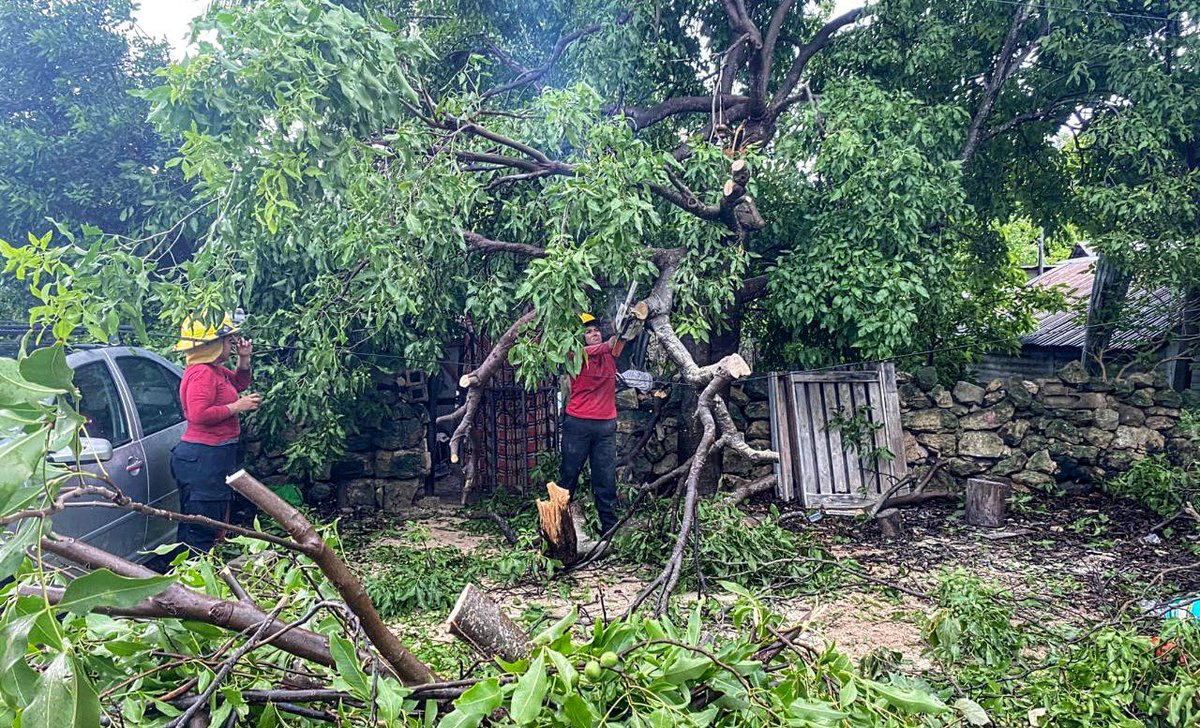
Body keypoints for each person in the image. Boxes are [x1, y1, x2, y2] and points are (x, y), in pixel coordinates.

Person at [170, 313, 261, 552]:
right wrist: (236, 407)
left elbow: (239, 385)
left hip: (213, 456)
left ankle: (202, 572)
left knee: (212, 521)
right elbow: (198, 414)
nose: (233, 344)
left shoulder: (215, 369)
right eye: (229, 340)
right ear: (213, 344)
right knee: (201, 527)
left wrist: (244, 359)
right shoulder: (202, 373)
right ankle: (190, 579)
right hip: (203, 458)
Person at [559, 311, 641, 540]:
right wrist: (613, 339)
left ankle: (609, 531)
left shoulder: (609, 354)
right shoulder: (574, 354)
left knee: (605, 479)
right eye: (588, 332)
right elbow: (605, 346)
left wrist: (629, 322)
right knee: (568, 476)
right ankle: (555, 525)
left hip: (605, 426)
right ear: (580, 338)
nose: (593, 334)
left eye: (596, 330)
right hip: (578, 424)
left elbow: (620, 341)